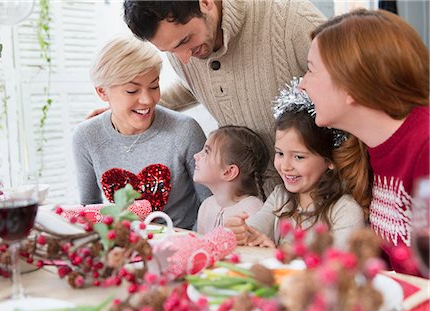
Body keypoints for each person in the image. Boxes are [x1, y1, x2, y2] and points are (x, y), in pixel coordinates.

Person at [90, 0, 326, 194]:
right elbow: (198, 85)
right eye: (170, 50)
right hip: (252, 198)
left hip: (319, 190)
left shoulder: (292, 20)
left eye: (185, 41)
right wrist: (139, 105)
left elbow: (353, 89)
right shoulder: (183, 50)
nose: (184, 59)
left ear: (206, 3)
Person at [299, 9, 429, 275]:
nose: (303, 85)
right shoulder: (369, 146)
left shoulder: (425, 146)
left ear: (349, 86)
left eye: (311, 71)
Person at [72, 35, 211, 230]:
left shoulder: (185, 131)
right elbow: (89, 212)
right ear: (102, 92)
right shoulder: (86, 137)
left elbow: (211, 206)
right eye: (132, 91)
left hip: (182, 246)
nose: (147, 100)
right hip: (123, 248)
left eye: (154, 86)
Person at [225, 79, 365, 250]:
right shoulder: (280, 197)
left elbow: (338, 269)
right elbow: (255, 230)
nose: (285, 166)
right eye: (280, 153)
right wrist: (241, 232)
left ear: (329, 160)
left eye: (298, 157)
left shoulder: (345, 211)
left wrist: (278, 256)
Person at [193, 125, 270, 234]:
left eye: (206, 151)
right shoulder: (206, 206)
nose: (196, 155)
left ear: (228, 172)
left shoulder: (252, 209)